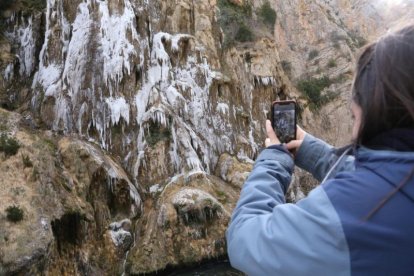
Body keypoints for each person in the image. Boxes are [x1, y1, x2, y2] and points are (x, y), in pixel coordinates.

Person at [226, 24, 414, 276]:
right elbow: (386, 174)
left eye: (354, 116)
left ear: (375, 114)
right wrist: (307, 149)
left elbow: (244, 237)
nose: (353, 130)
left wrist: (274, 157)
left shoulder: (358, 213)